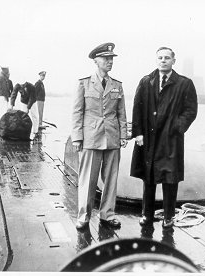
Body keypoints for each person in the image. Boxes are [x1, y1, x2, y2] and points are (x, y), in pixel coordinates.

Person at [130, 47, 198, 228]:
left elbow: (191, 110)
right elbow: (137, 108)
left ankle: (168, 217)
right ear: (156, 60)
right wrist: (137, 133)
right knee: (149, 178)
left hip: (170, 139)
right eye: (160, 57)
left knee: (170, 179)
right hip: (149, 139)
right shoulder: (146, 82)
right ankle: (147, 215)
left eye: (167, 58)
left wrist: (177, 127)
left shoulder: (184, 83)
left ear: (173, 61)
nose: (163, 61)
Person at [71, 42, 127, 230]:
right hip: (90, 137)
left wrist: (123, 135)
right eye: (106, 58)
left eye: (111, 58)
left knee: (111, 178)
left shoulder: (117, 85)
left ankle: (107, 215)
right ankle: (84, 216)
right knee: (88, 179)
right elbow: (77, 112)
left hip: (112, 137)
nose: (110, 62)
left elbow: (121, 112)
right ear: (96, 60)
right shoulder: (84, 83)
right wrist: (77, 137)